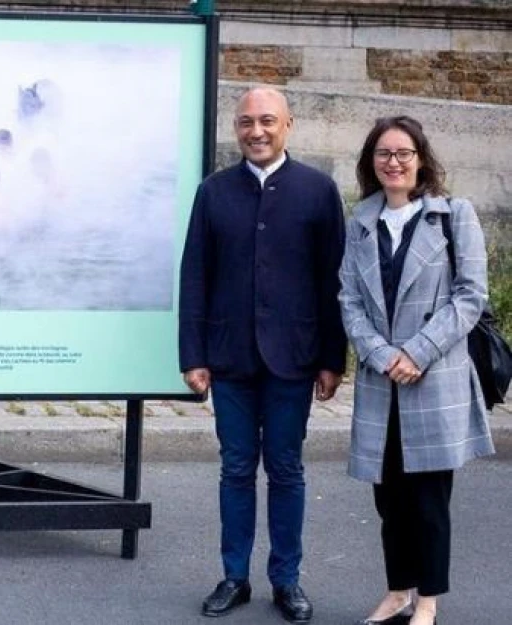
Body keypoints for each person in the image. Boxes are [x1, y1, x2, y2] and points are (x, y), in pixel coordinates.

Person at [178, 87, 347, 623]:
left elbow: (332, 282)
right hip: (228, 358)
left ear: (288, 125)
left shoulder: (319, 192)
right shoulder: (213, 192)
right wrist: (193, 354)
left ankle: (287, 579)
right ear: (236, 128)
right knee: (235, 470)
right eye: (247, 122)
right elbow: (195, 276)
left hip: (292, 360)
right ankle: (234, 576)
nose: (256, 131)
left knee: (287, 470)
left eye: (267, 121)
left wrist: (331, 358)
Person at [339, 116, 495, 625]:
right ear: (372, 164)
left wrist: (418, 351)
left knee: (429, 501)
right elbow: (349, 299)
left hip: (433, 378)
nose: (394, 162)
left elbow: (470, 296)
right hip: (381, 380)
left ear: (421, 159)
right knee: (389, 500)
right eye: (384, 154)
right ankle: (398, 589)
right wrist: (383, 355)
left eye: (403, 152)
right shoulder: (361, 221)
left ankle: (428, 600)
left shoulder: (453, 215)